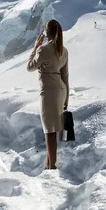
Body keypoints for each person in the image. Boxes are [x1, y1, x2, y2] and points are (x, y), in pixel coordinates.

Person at [27, 19, 69, 170]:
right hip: (61, 91)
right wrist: (67, 98)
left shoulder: (43, 50)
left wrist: (35, 47)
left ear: (47, 33)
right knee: (54, 127)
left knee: (49, 130)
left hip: (48, 92)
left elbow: (30, 67)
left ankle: (52, 166)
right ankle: (48, 163)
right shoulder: (64, 50)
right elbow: (65, 76)